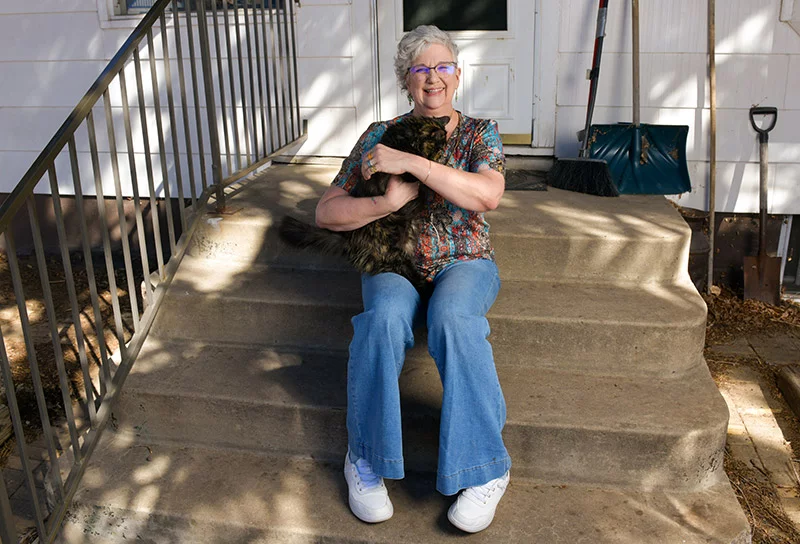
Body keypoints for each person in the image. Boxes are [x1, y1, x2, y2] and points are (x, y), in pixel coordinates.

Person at [315, 24, 510, 534]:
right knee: (381, 321)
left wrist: (412, 164)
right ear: (405, 80)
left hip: (464, 259)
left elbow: (487, 196)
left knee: (455, 322)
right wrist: (382, 202)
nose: (433, 78)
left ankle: (485, 469)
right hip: (395, 260)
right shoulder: (378, 135)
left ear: (458, 75)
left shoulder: (478, 132)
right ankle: (366, 460)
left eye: (442, 66)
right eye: (420, 69)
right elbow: (326, 211)